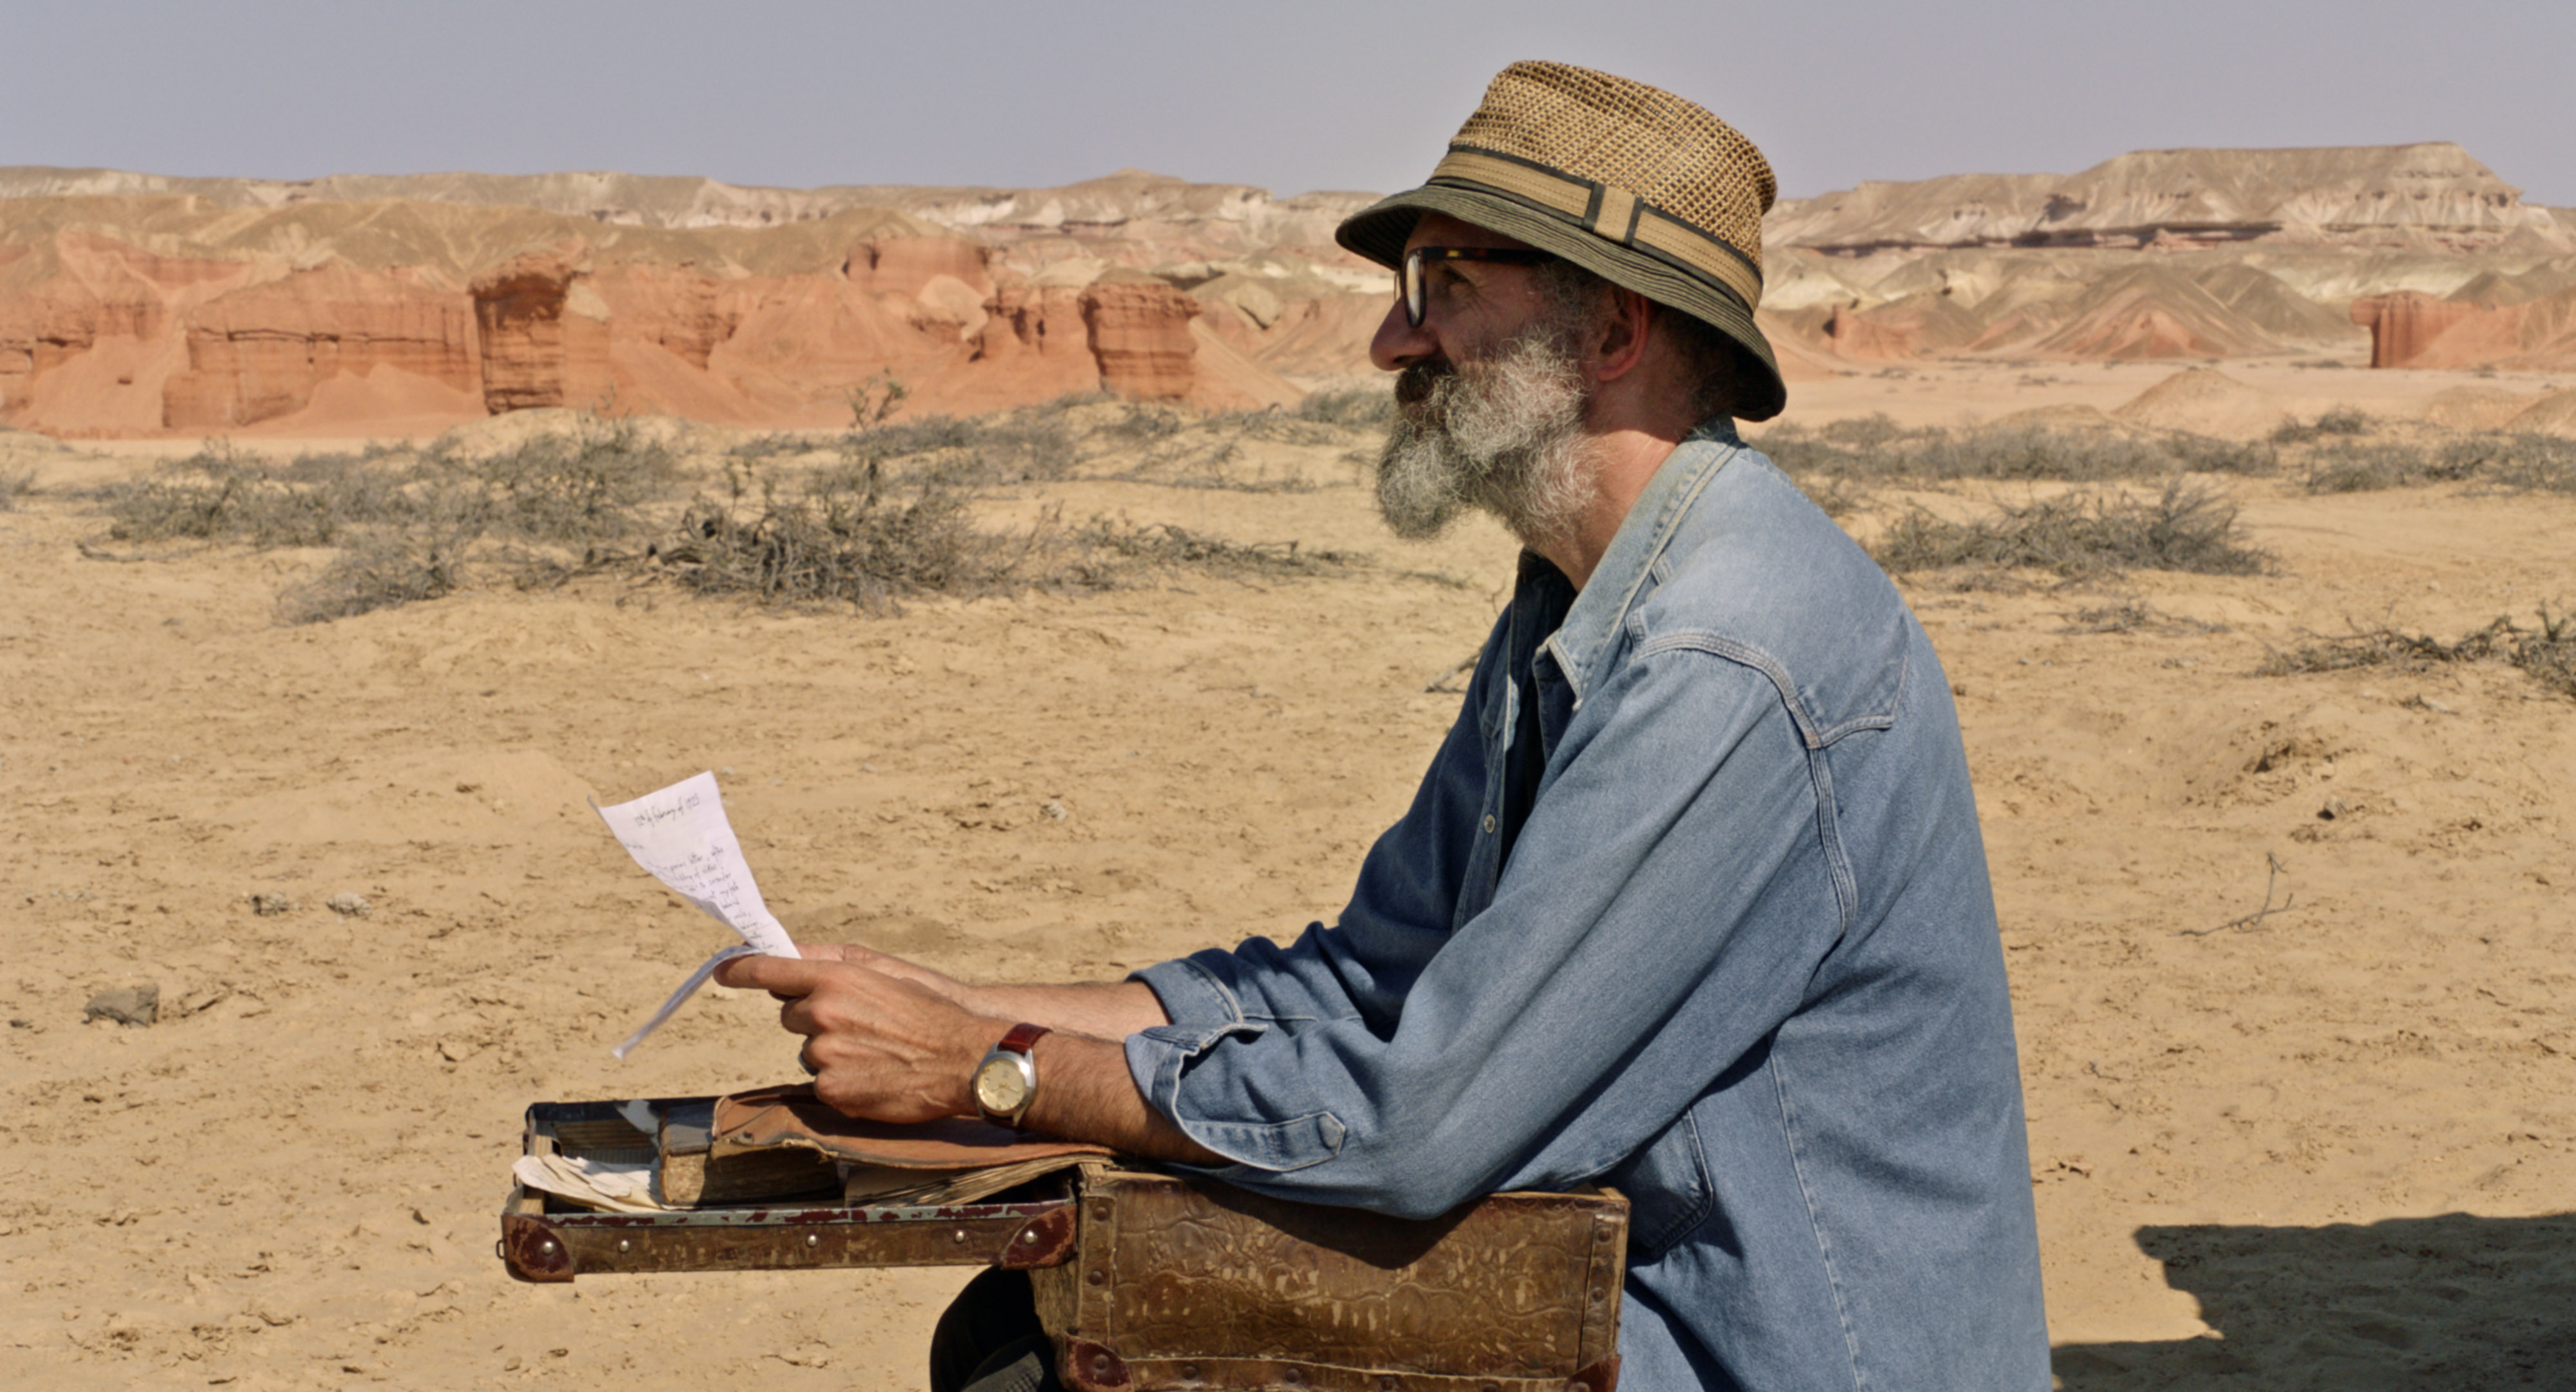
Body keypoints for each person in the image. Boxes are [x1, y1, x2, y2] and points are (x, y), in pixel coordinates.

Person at [716, 60, 2051, 1392]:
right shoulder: (1575, 601)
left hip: (1761, 1351)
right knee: (1015, 1330)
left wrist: (995, 1073)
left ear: (1612, 333)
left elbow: (1420, 1121)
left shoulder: (1728, 656)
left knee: (1037, 1364)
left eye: (1444, 287)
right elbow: (1367, 979)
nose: (1391, 344)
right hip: (1632, 1297)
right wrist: (954, 1006)